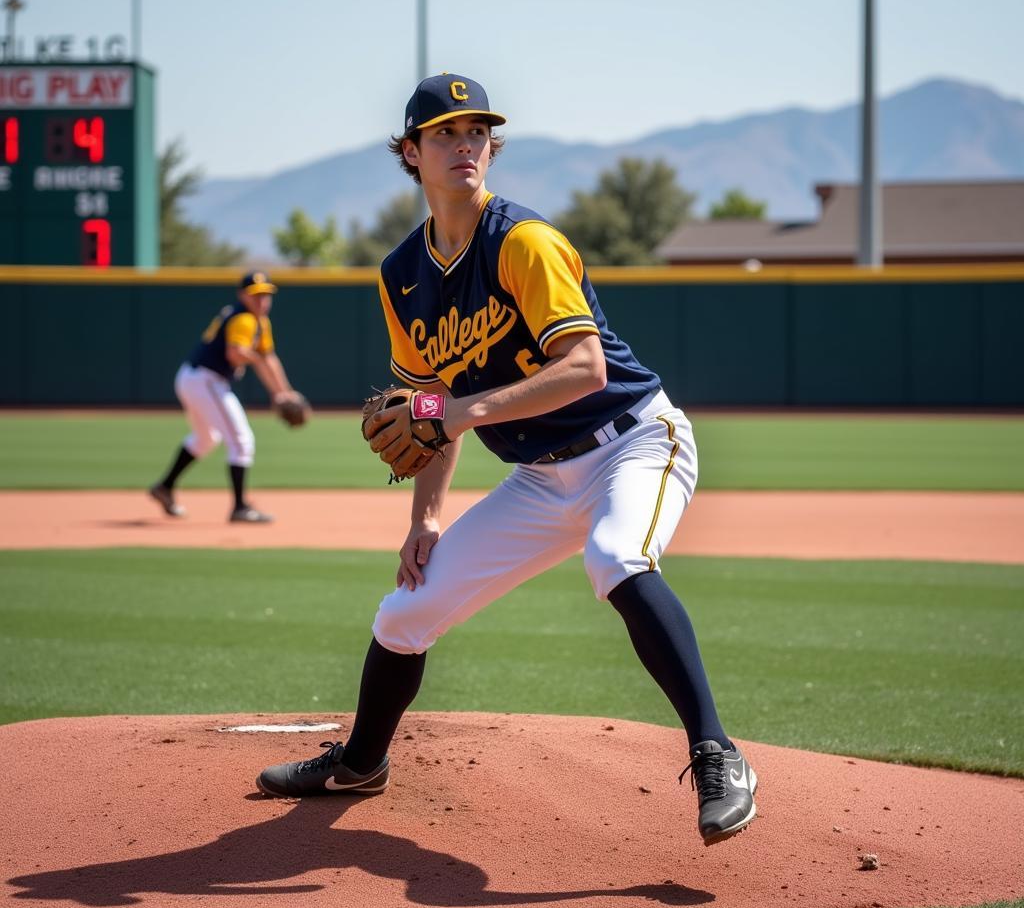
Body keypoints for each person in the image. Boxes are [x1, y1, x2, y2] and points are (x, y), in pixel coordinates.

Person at [256, 75, 759, 846]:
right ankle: (360, 762)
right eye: (445, 134)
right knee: (405, 612)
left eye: (477, 131)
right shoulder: (401, 276)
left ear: (491, 146)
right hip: (538, 478)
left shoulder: (523, 240)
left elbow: (584, 368)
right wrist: (425, 517)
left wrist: (456, 410)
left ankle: (717, 752)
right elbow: (425, 415)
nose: (465, 144)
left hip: (632, 440)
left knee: (616, 555)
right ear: (411, 154)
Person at [148, 270, 300, 524]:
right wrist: (268, 376)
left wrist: (283, 393)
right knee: (241, 441)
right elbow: (235, 353)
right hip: (205, 380)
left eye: (265, 295)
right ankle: (240, 508)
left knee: (206, 439)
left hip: (194, 378)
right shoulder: (243, 319)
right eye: (256, 295)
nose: (262, 300)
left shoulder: (260, 321)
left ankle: (164, 487)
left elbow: (269, 358)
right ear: (243, 295)